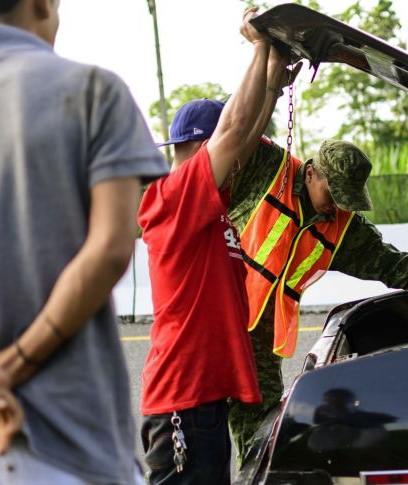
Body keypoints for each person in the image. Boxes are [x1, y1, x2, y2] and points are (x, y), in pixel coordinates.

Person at [0, 0, 168, 483]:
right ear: (44, 3)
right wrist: (12, 366)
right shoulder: (93, 90)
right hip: (73, 446)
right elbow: (112, 247)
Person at [226, 110, 408, 466]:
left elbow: (388, 260)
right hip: (215, 319)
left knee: (257, 435)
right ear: (310, 173)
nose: (338, 204)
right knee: (201, 422)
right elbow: (233, 131)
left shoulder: (343, 228)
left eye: (346, 197)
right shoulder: (268, 169)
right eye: (333, 192)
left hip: (262, 339)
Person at [135, 8, 293, 484]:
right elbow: (234, 132)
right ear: (200, 147)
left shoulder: (207, 202)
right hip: (183, 404)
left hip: (201, 403)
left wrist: (274, 76)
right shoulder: (174, 197)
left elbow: (243, 138)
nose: (242, 160)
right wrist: (258, 46)